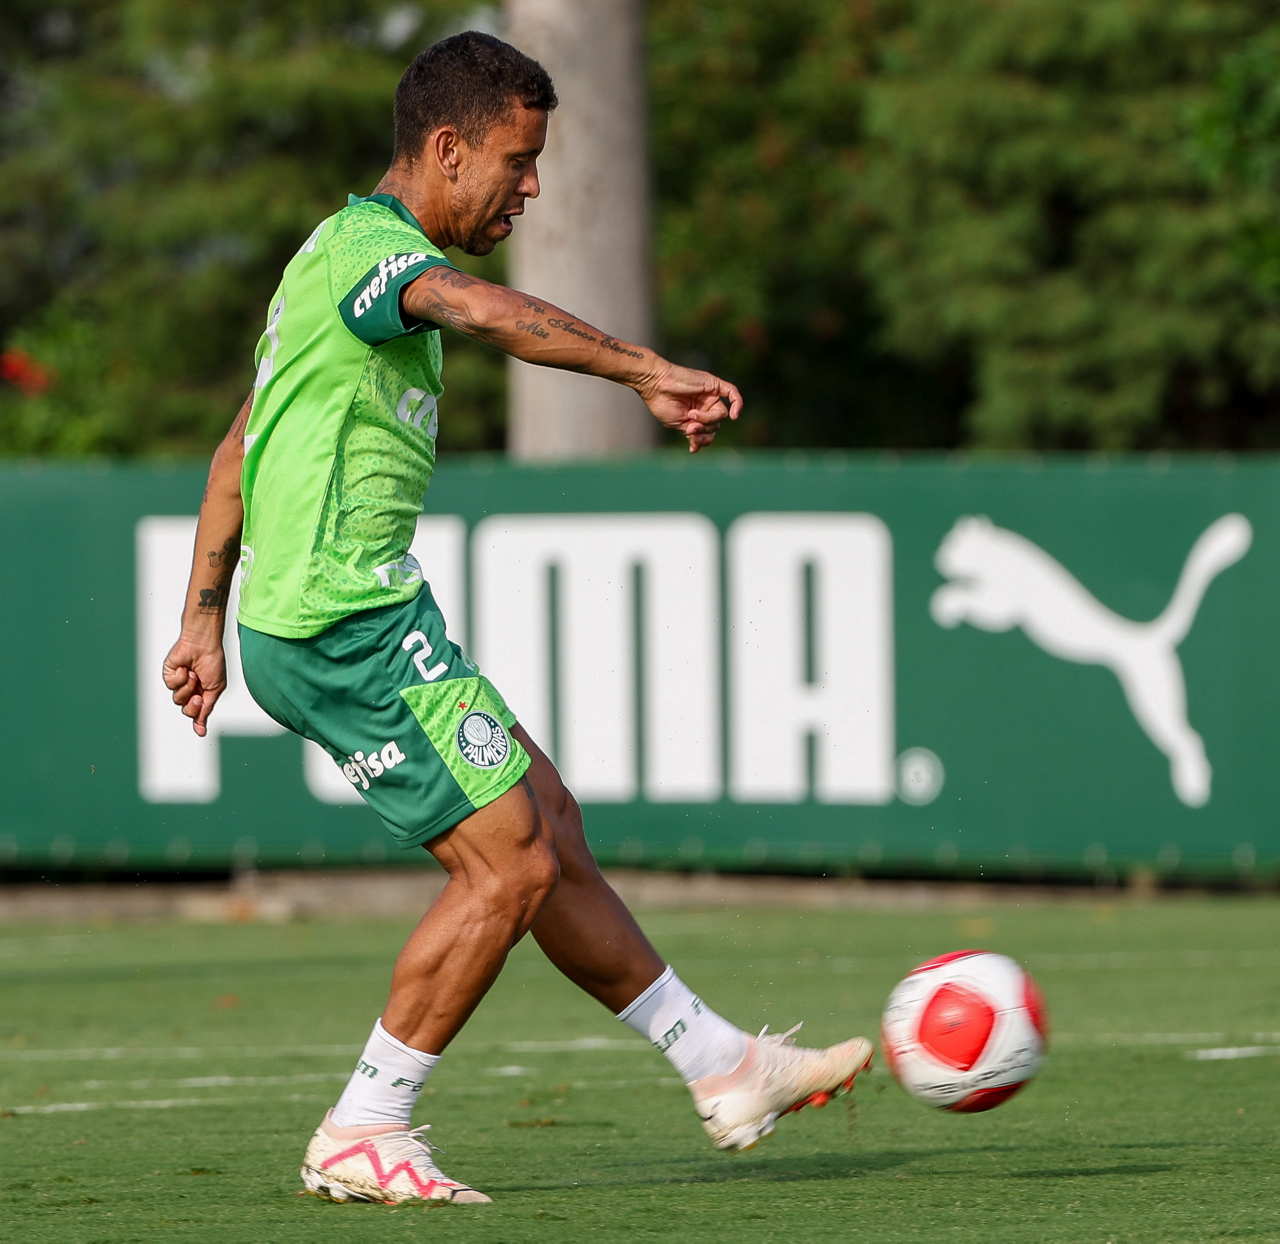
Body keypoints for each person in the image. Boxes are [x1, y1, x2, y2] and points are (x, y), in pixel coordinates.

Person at [163, 31, 871, 1207]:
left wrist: (200, 618)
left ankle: (723, 1064)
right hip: (340, 627)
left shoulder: (322, 258)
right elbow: (473, 307)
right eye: (516, 159)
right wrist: (641, 369)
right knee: (511, 863)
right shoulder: (378, 260)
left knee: (547, 821)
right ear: (446, 148)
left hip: (353, 615)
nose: (530, 186)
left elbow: (240, 446)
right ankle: (365, 1123)